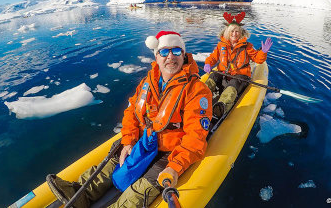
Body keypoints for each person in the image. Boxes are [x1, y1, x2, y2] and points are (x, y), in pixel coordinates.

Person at [46, 31, 213, 208]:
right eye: (164, 52)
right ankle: (81, 192)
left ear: (184, 55)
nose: (170, 56)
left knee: (143, 188)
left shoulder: (196, 90)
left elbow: (195, 137)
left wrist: (176, 166)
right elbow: (132, 112)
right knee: (116, 157)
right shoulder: (148, 82)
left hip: (170, 151)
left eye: (176, 51)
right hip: (144, 141)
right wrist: (128, 141)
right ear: (157, 57)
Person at [203, 11, 273, 117]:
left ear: (241, 33)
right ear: (227, 32)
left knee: (233, 84)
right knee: (214, 75)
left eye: (237, 31)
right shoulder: (221, 45)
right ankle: (200, 96)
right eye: (232, 31)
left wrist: (263, 52)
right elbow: (213, 57)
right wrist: (208, 63)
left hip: (240, 77)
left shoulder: (247, 46)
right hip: (225, 74)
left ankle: (221, 107)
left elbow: (257, 59)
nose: (234, 34)